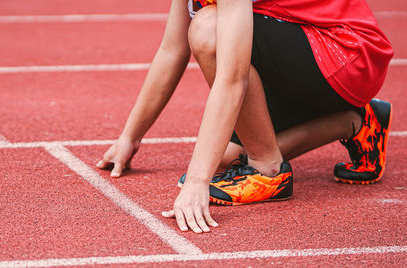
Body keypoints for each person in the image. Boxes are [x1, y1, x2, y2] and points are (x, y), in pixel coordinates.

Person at [96, 0, 393, 233]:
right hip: (302, 51)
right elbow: (172, 50)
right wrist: (130, 137)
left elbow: (233, 78)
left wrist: (197, 182)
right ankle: (358, 121)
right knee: (224, 157)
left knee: (208, 29)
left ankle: (268, 169)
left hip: (347, 54)